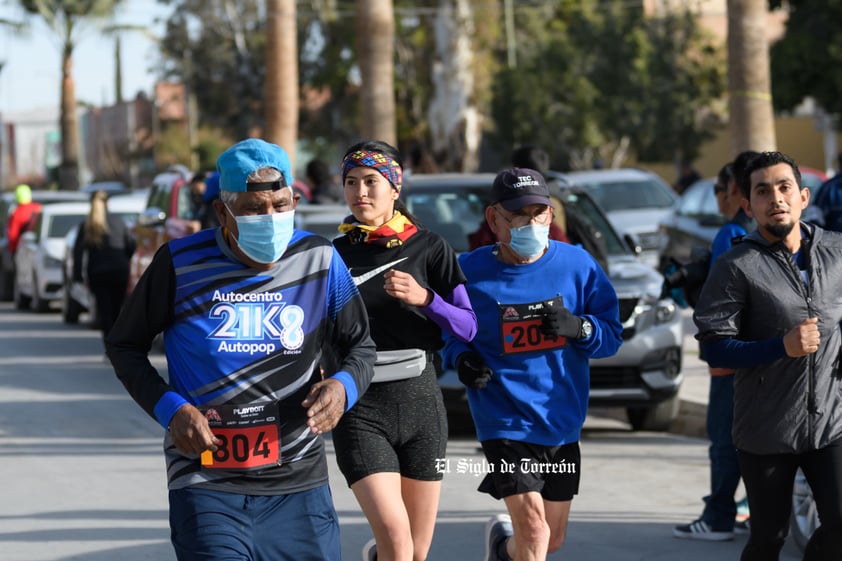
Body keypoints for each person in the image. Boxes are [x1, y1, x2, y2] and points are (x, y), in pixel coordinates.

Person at [105, 138, 377, 561]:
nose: (271, 218)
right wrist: (171, 409)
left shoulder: (319, 260)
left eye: (281, 205)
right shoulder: (180, 263)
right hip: (206, 480)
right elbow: (125, 346)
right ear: (222, 212)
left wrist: (342, 386)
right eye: (253, 209)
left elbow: (360, 345)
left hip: (298, 482)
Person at [442, 167, 623, 561]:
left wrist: (580, 327)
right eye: (519, 215)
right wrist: (463, 359)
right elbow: (448, 332)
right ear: (494, 219)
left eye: (540, 213)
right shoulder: (468, 272)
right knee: (536, 531)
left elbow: (611, 335)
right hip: (503, 420)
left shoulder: (578, 265)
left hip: (561, 421)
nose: (532, 223)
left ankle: (500, 549)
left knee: (547, 540)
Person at [330, 140, 478, 561]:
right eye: (351, 182)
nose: (360, 192)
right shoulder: (333, 255)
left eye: (371, 181)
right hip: (360, 408)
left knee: (416, 551)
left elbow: (468, 327)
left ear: (395, 187)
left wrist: (426, 299)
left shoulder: (431, 248)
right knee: (397, 542)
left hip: (421, 407)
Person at [693, 151, 842, 561]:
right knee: (768, 540)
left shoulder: (837, 251)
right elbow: (713, 345)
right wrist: (781, 347)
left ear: (803, 196)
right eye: (763, 191)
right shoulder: (736, 265)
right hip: (766, 429)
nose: (775, 198)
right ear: (748, 205)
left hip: (831, 422)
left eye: (784, 187)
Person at [673, 159, 755, 541]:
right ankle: (755, 509)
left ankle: (719, 516)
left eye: (720, 191)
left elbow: (720, 302)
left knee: (724, 439)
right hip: (770, 355)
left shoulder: (731, 234)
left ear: (737, 192)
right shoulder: (779, 233)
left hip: (731, 355)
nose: (718, 199)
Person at [71, 190, 136, 341]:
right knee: (117, 310)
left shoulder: (88, 225)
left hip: (97, 273)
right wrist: (125, 261)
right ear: (108, 203)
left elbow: (78, 252)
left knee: (104, 312)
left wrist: (78, 276)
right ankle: (118, 345)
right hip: (119, 271)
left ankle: (109, 346)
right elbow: (131, 245)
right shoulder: (118, 221)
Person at [6, 184, 41, 255]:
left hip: (22, 250)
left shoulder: (16, 214)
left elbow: (13, 235)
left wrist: (12, 250)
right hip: (38, 248)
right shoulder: (38, 208)